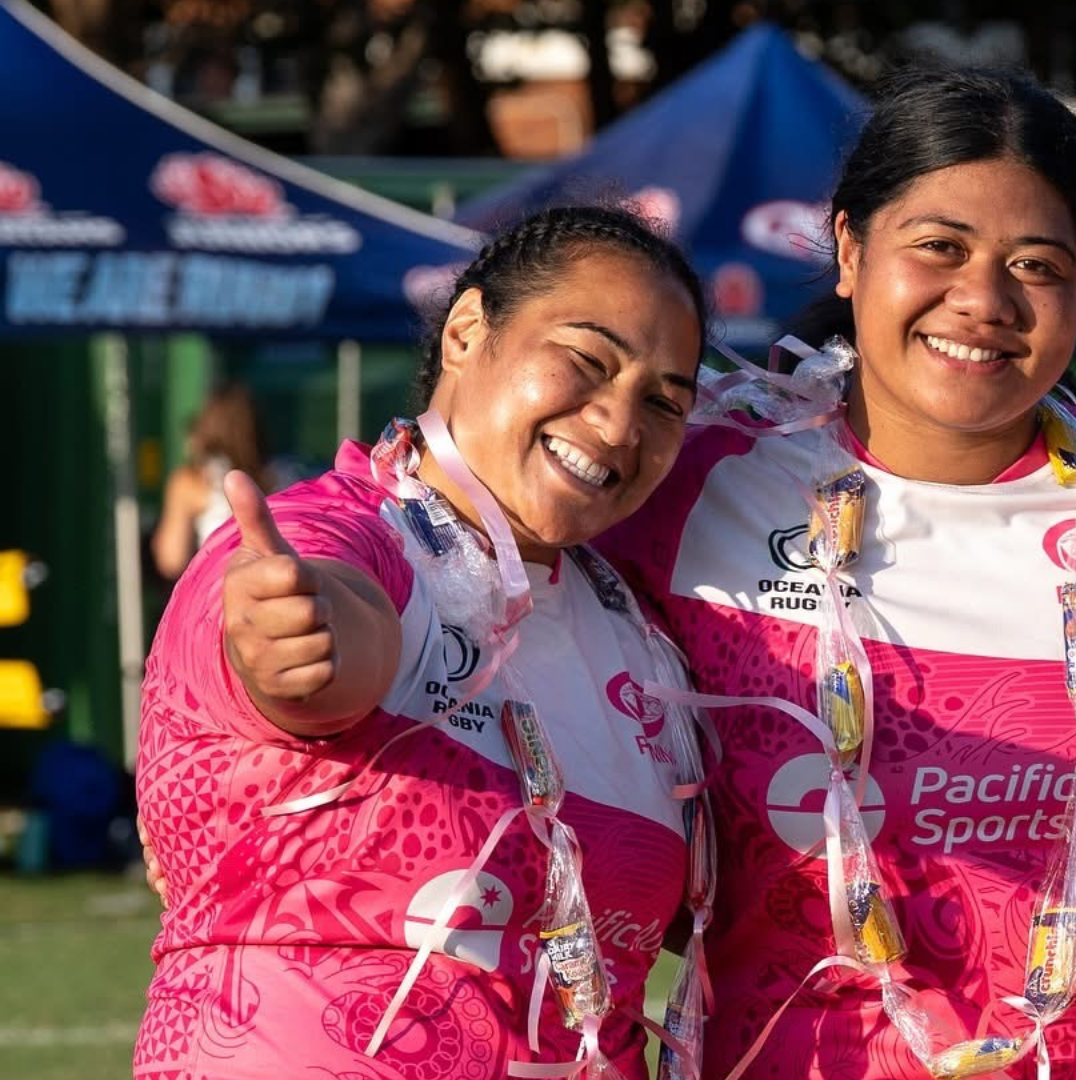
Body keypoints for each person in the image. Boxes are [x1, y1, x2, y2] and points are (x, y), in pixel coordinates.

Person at [597, 66, 1076, 1080]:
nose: (983, 299)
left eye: (1038, 265)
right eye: (939, 248)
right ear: (849, 249)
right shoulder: (690, 487)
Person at [135, 206, 711, 1079]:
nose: (621, 423)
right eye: (589, 361)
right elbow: (330, 628)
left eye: (664, 401)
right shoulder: (347, 532)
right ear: (468, 331)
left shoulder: (635, 632)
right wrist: (296, 639)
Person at [151, 383, 279, 581]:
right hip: (273, 591)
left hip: (218, 596)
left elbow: (172, 561)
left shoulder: (191, 481)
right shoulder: (283, 476)